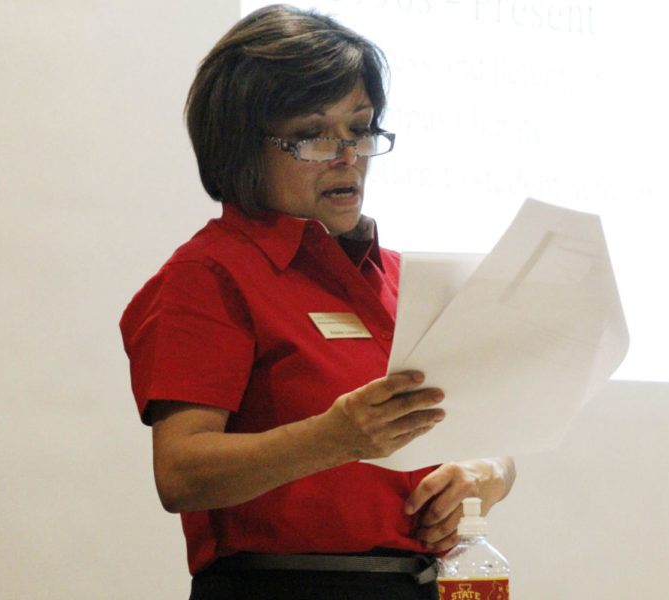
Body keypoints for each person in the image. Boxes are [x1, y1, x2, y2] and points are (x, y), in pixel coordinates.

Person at [119, 5, 516, 600]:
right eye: (311, 135)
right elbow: (181, 473)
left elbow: (493, 428)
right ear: (240, 148)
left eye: (359, 128)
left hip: (424, 584)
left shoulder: (402, 278)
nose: (347, 155)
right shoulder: (209, 274)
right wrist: (335, 438)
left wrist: (489, 474)